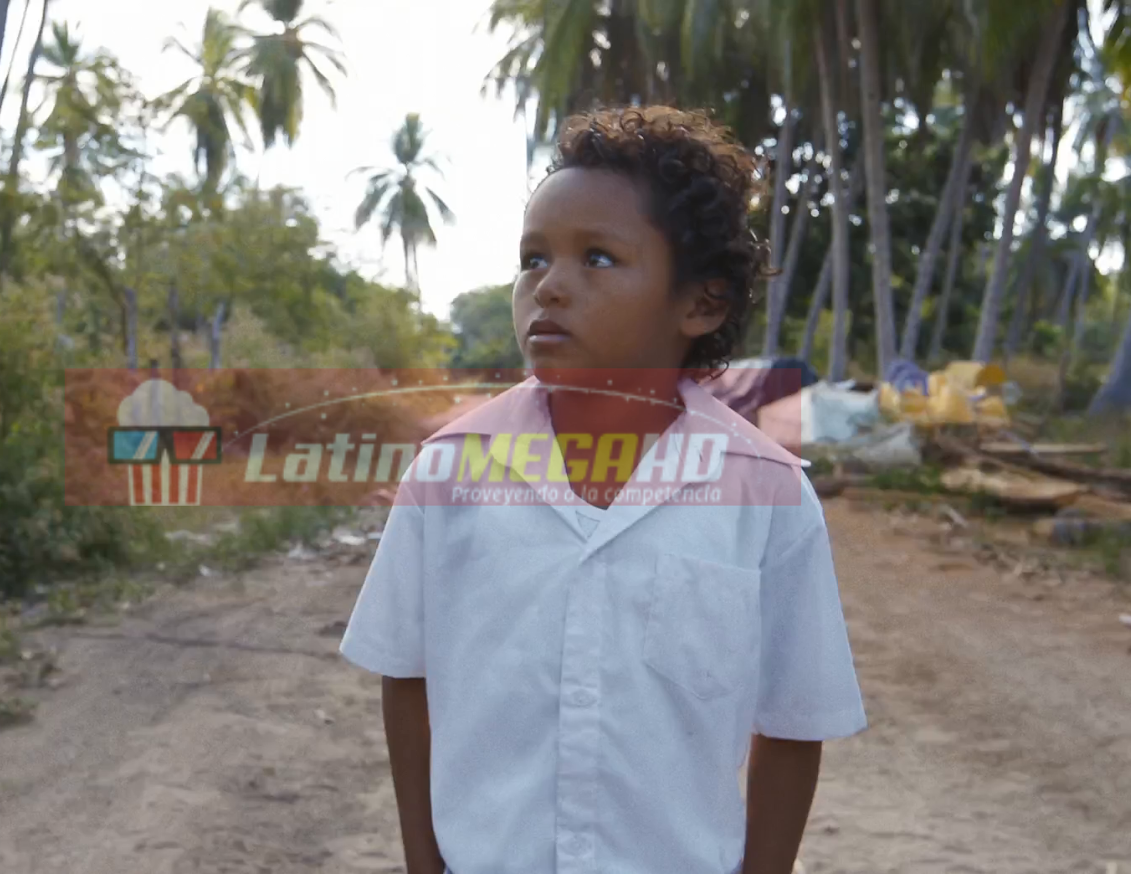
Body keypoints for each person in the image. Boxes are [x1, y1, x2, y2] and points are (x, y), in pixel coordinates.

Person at [339, 105, 866, 874]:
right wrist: (425, 863)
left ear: (701, 303)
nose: (549, 287)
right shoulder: (449, 472)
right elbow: (408, 675)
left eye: (598, 258)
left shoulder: (766, 496)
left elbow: (791, 724)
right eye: (533, 259)